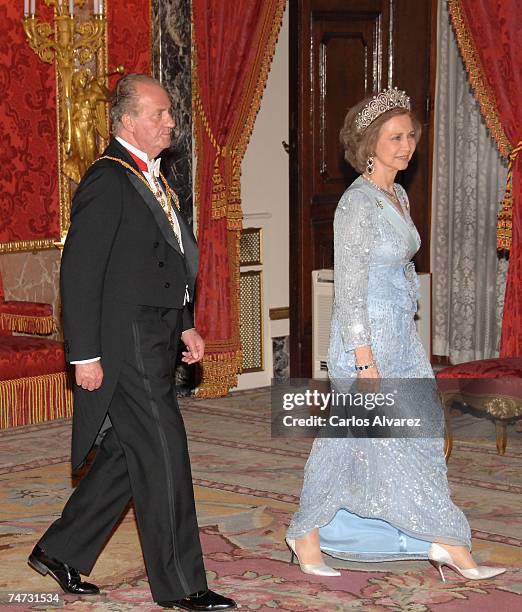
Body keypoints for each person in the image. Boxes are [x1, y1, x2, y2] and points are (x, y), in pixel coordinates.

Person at [28, 74, 236, 611]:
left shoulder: (153, 178)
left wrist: (186, 321)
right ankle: (182, 584)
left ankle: (61, 550)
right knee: (165, 453)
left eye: (169, 113)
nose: (170, 121)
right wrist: (84, 355)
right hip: (124, 341)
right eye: (159, 113)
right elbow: (80, 273)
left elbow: (167, 260)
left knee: (128, 452)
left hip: (158, 333)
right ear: (126, 120)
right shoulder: (108, 179)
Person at [285, 87, 506, 583]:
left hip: (399, 338)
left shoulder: (397, 195)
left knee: (419, 438)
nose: (406, 146)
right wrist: (365, 361)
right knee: (345, 441)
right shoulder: (355, 205)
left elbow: (403, 268)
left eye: (410, 136)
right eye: (395, 137)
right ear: (369, 145)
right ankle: (309, 533)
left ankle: (442, 541)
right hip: (365, 344)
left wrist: (410, 320)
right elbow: (350, 290)